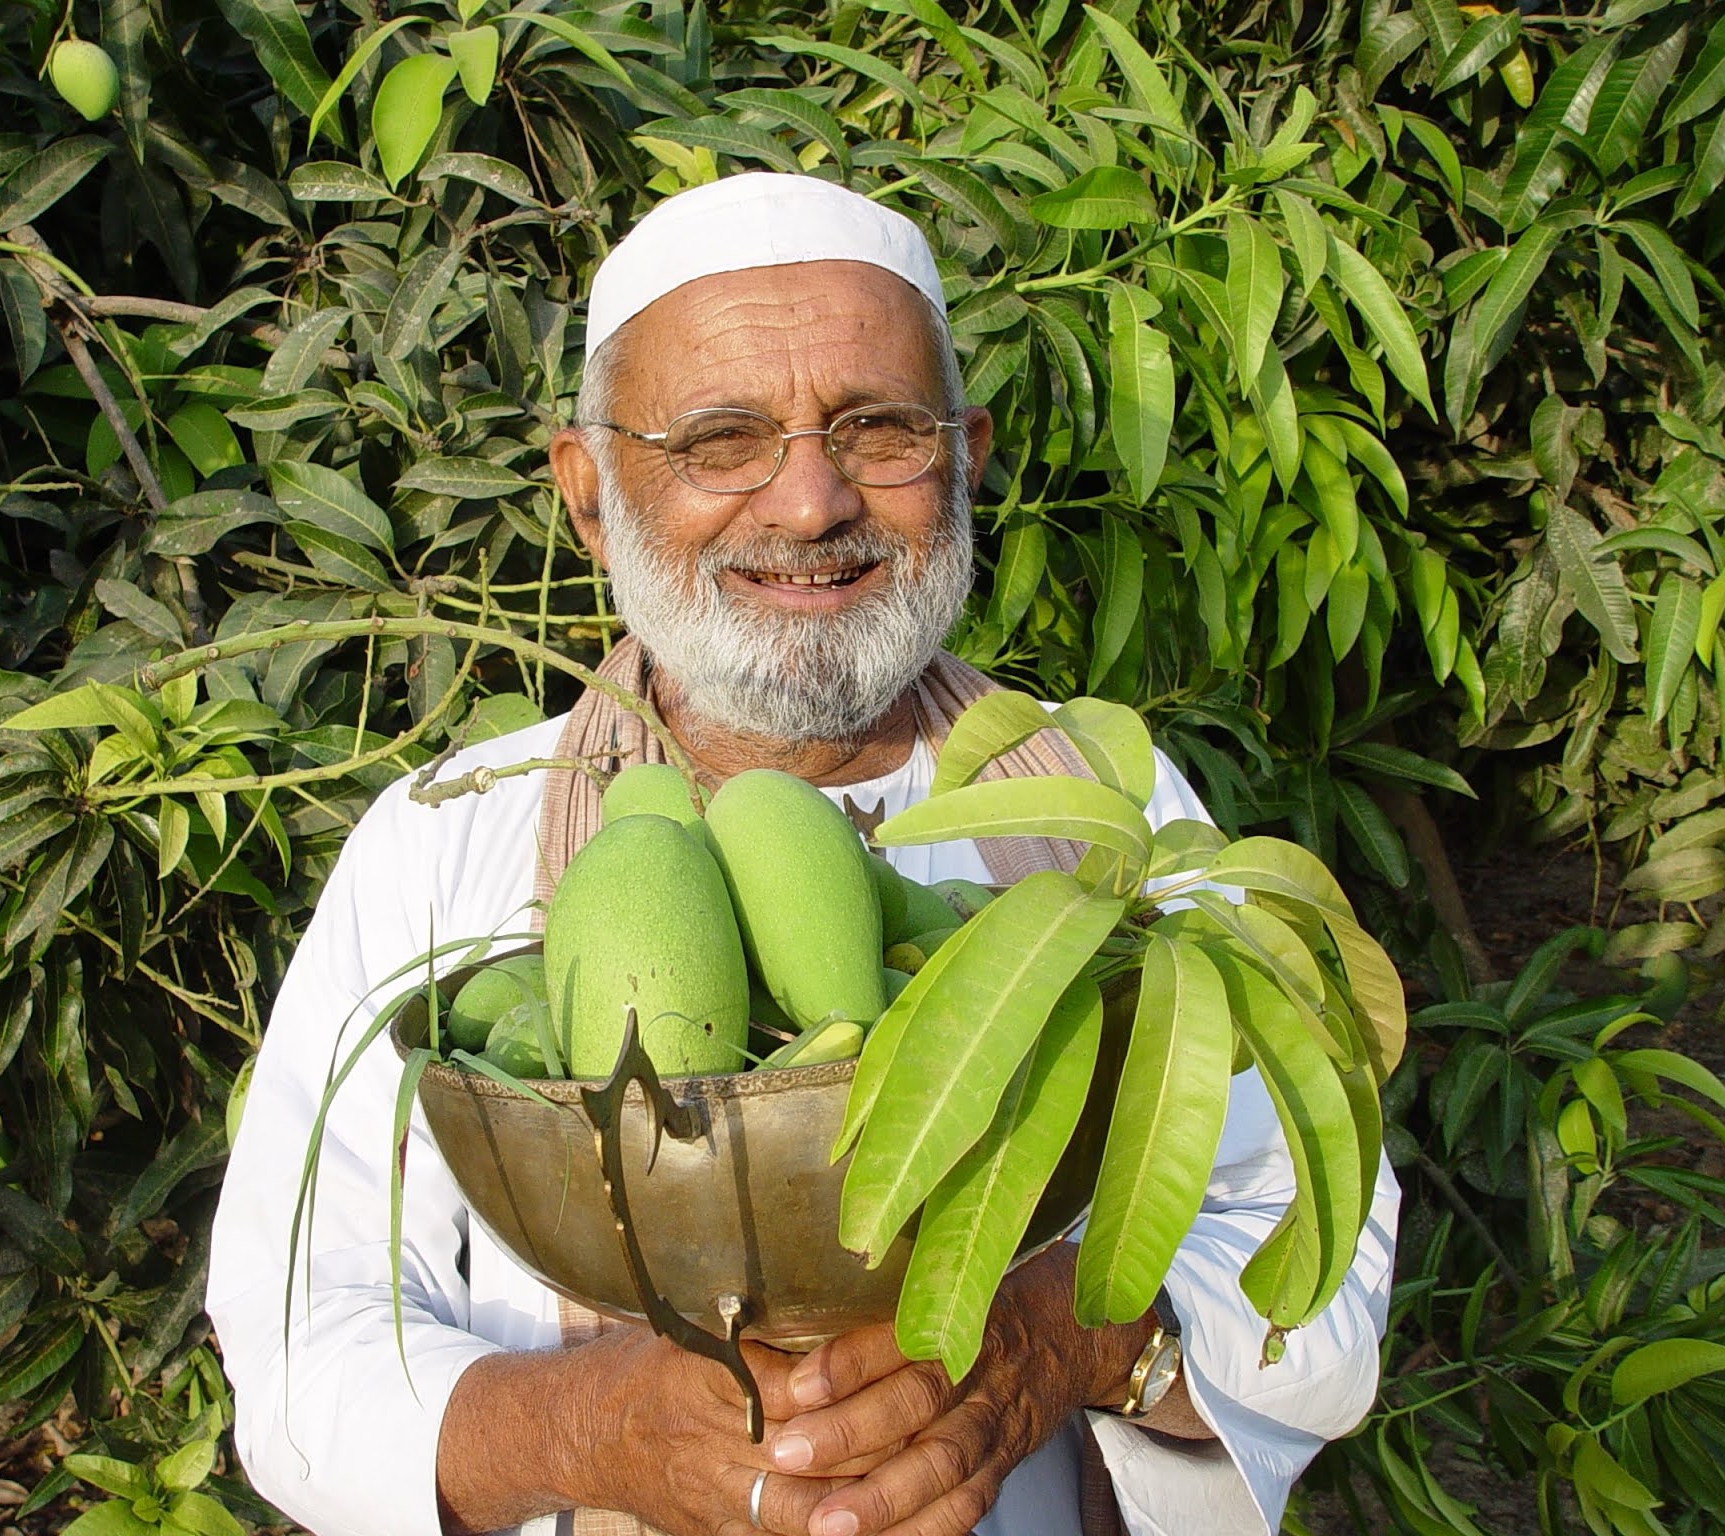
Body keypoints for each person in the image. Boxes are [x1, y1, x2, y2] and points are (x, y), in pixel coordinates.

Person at [206, 173, 1401, 1536]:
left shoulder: (1106, 813)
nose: (811, 499)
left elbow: (1315, 1230)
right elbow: (296, 1335)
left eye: (879, 429)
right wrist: (596, 1430)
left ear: (968, 456)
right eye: (722, 440)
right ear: (590, 496)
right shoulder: (447, 838)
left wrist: (1069, 1341)